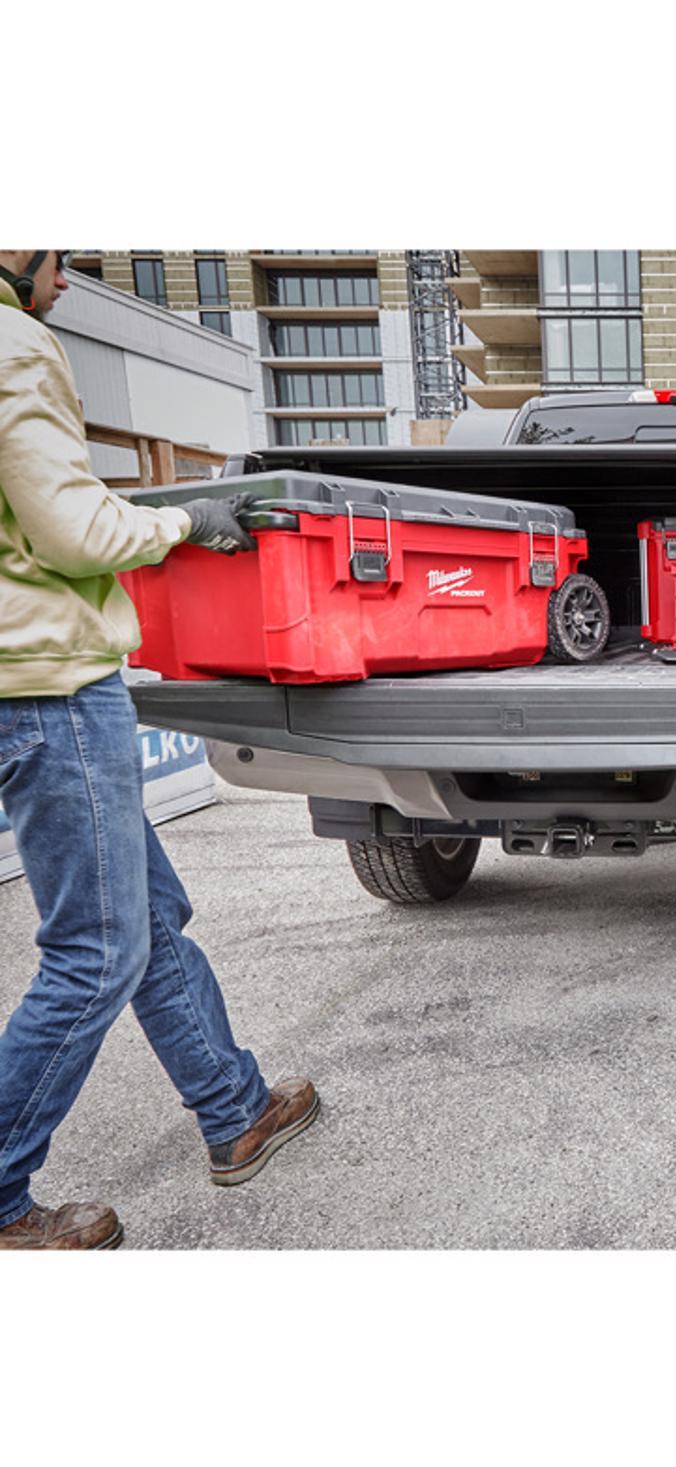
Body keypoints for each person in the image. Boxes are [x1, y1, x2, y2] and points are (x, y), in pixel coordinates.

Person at [0, 250, 319, 1250]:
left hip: (26, 678)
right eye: (62, 262)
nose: (68, 282)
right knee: (98, 950)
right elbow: (67, 529)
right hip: (46, 680)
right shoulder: (13, 342)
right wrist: (183, 523)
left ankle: (235, 1110)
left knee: (143, 916)